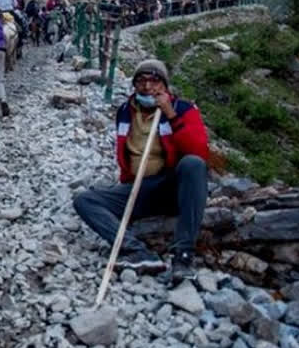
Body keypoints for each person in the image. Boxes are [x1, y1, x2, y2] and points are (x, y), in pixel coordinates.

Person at [72, 60, 209, 283]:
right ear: (134, 84)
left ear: (164, 85)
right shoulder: (126, 111)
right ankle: (137, 251)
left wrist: (170, 114)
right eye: (141, 81)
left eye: (154, 81)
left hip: (171, 187)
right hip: (139, 189)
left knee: (192, 164)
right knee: (85, 200)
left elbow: (198, 151)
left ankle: (182, 256)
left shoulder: (183, 109)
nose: (147, 87)